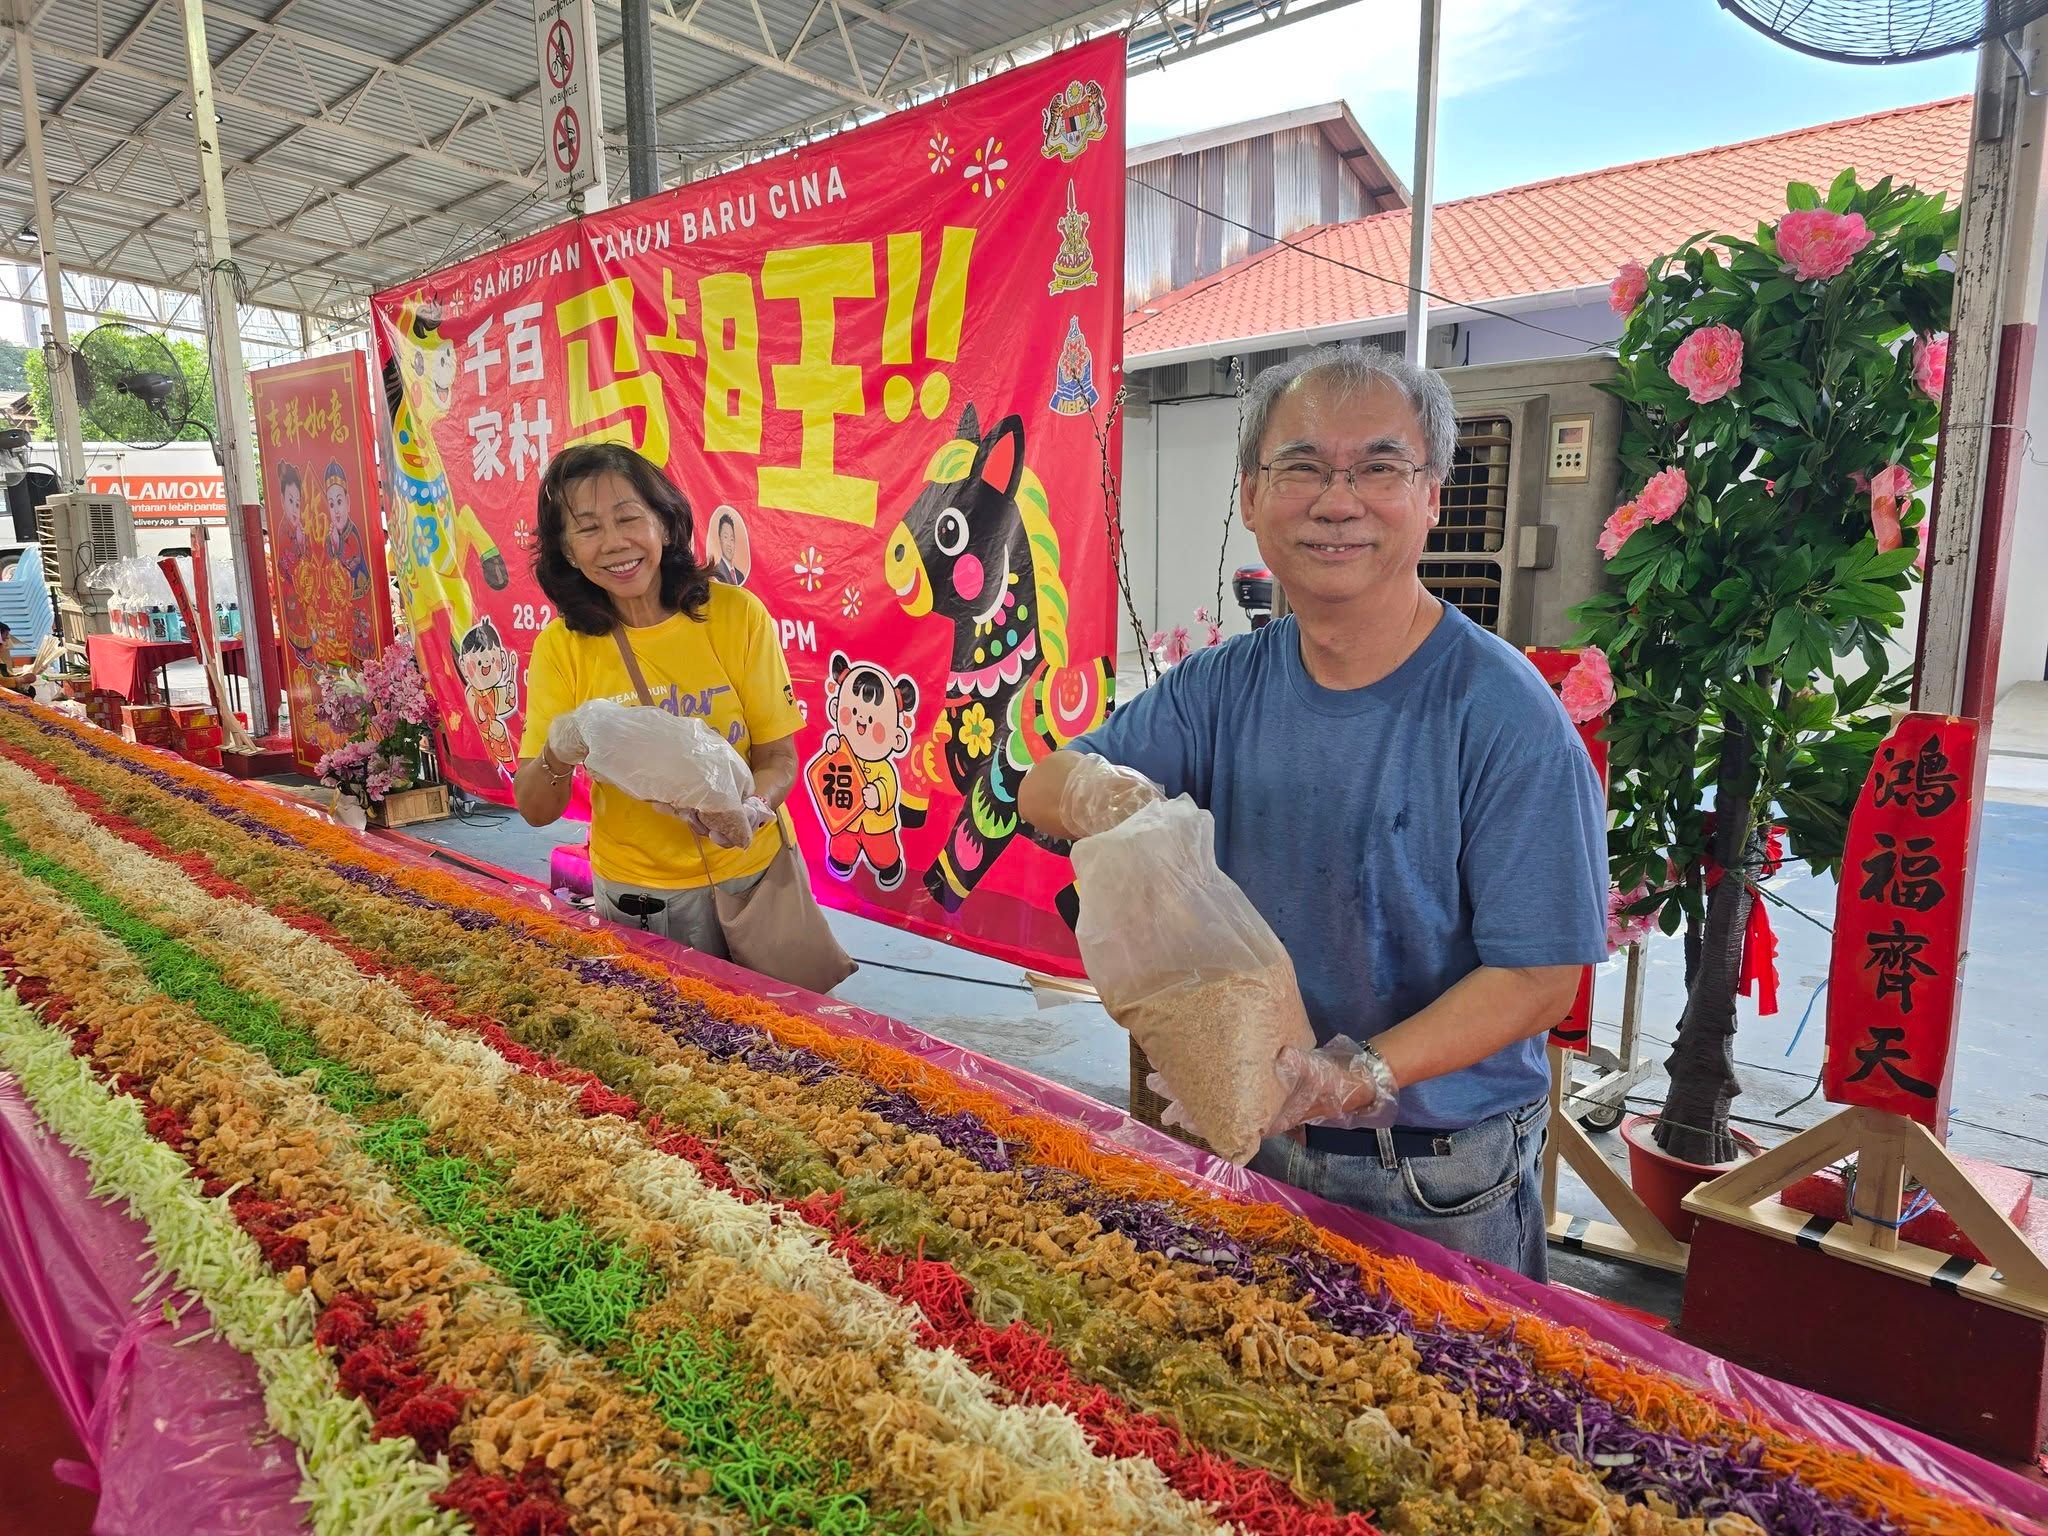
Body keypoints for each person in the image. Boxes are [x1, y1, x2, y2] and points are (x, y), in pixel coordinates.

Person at [1019, 344, 1607, 1279]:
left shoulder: (1503, 717)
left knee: (1447, 1419)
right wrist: (1100, 789)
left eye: (1378, 467)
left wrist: (1357, 1074)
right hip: (1250, 1143)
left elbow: (1540, 979)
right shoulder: (1223, 685)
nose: (1337, 501)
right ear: (1250, 497)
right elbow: (1041, 785)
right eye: (1300, 467)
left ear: (1432, 496)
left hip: (1432, 1180)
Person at [514, 443, 804, 959]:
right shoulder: (562, 647)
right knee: (668, 1037)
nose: (614, 543)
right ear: (566, 550)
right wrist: (559, 750)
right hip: (642, 899)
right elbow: (536, 810)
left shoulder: (736, 616)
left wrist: (751, 809)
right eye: (588, 528)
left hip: (754, 881)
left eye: (629, 518)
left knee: (775, 1033)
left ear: (666, 526)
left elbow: (778, 757)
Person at [709, 507, 748, 587]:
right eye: (725, 537)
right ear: (720, 539)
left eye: (732, 539)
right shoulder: (715, 573)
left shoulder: (740, 576)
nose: (729, 544)